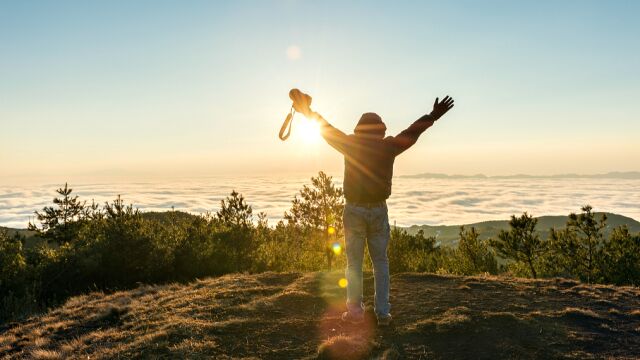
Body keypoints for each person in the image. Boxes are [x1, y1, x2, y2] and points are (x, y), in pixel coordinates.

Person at [293, 91, 454, 326]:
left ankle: (355, 313)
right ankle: (383, 314)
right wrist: (433, 116)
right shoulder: (388, 146)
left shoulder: (349, 143)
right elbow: (412, 132)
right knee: (381, 263)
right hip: (378, 210)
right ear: (381, 129)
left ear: (359, 130)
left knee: (353, 264)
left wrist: (307, 111)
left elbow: (325, 128)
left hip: (354, 210)